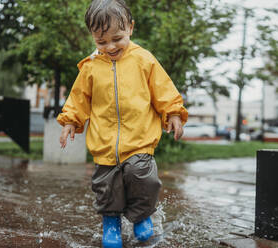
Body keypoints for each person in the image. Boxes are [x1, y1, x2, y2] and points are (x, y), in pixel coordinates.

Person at [57, 0, 188, 247]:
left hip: (139, 139)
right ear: (93, 37)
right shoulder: (91, 67)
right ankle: (111, 224)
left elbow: (163, 90)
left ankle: (141, 217)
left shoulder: (144, 60)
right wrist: (70, 122)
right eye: (101, 42)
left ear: (130, 28)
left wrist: (172, 113)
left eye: (117, 38)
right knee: (106, 187)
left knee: (143, 180)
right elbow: (78, 98)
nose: (110, 46)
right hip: (104, 143)